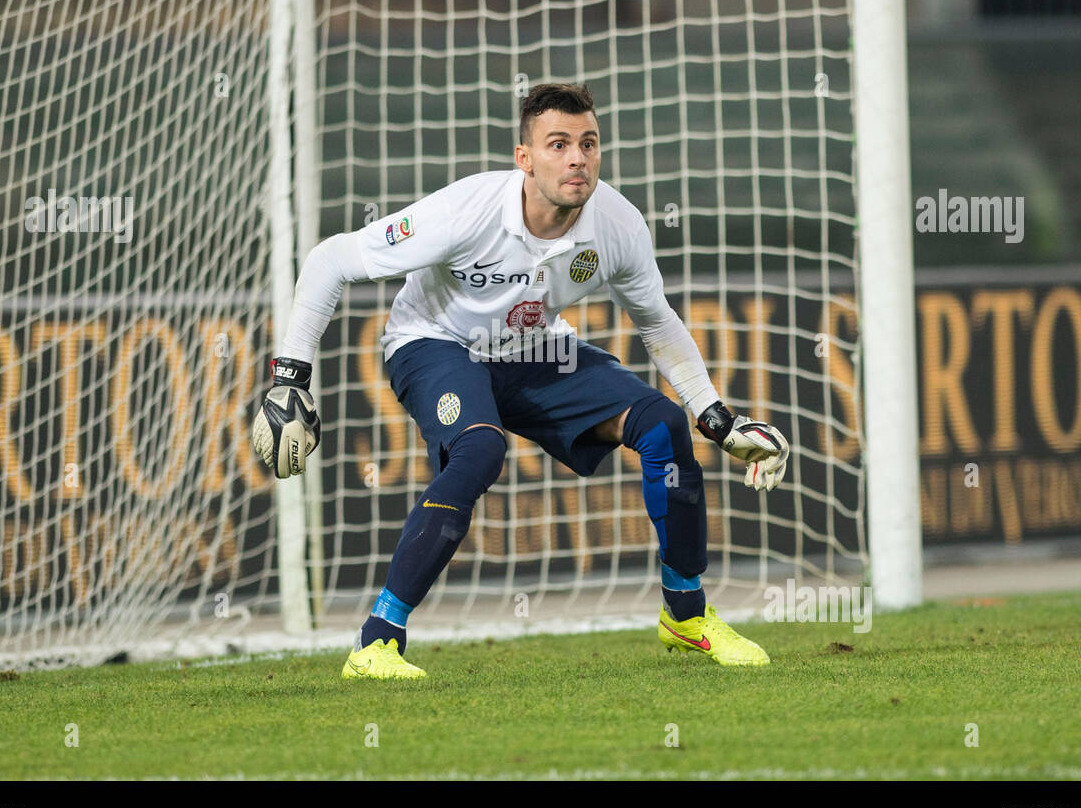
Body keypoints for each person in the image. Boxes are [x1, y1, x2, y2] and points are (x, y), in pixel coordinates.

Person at [253, 83, 789, 680]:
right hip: (434, 344)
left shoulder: (617, 225)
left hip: (531, 351)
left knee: (662, 425)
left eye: (588, 143)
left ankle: (686, 617)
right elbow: (331, 260)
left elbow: (657, 322)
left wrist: (716, 416)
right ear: (524, 158)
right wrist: (289, 378)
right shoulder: (465, 211)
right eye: (557, 144)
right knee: (481, 449)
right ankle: (377, 642)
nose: (577, 158)